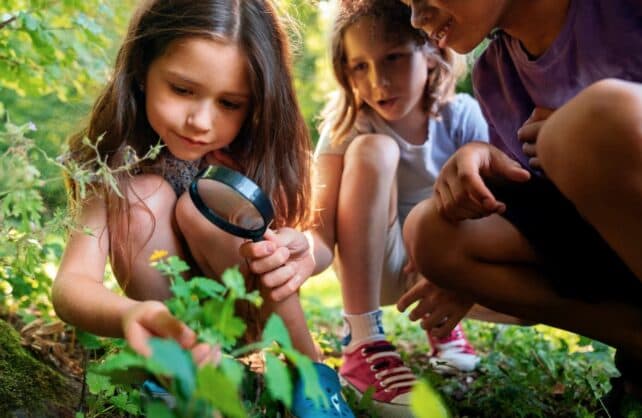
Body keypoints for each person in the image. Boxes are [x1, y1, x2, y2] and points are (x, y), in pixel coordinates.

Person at [51, 1, 354, 417]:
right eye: (182, 89)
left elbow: (315, 245)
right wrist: (131, 314)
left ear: (256, 103)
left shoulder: (251, 154)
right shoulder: (112, 160)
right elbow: (71, 285)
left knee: (206, 205)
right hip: (172, 322)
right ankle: (180, 370)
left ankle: (312, 373)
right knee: (142, 196)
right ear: (142, 70)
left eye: (229, 103)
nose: (200, 121)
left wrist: (300, 250)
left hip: (250, 311)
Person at [241, 0, 498, 415]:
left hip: (446, 266)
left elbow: (493, 207)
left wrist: (453, 271)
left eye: (393, 57)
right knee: (374, 149)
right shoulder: (347, 129)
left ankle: (443, 327)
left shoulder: (462, 116)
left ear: (431, 52)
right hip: (376, 265)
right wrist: (301, 253)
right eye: (360, 66)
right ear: (345, 73)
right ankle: (362, 339)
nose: (378, 81)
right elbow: (322, 237)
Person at [397, 0, 642, 411]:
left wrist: (582, 135)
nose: (417, 19)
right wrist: (485, 159)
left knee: (592, 121)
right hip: (609, 252)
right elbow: (550, 209)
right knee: (431, 230)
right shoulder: (495, 76)